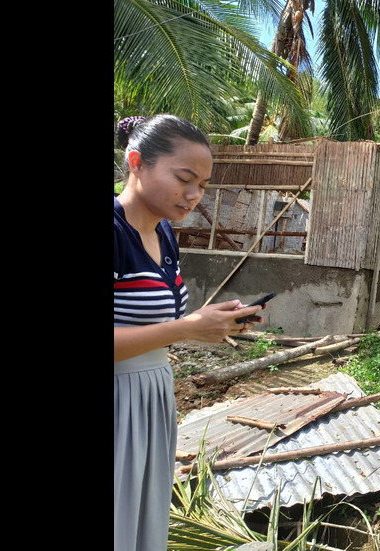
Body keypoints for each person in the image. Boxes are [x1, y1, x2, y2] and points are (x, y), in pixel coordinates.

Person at [114, 114, 265, 551]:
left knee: (142, 521)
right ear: (137, 163)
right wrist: (187, 329)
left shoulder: (164, 231)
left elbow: (154, 322)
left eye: (202, 184)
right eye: (184, 179)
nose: (195, 195)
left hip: (153, 397)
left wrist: (211, 319)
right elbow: (169, 328)